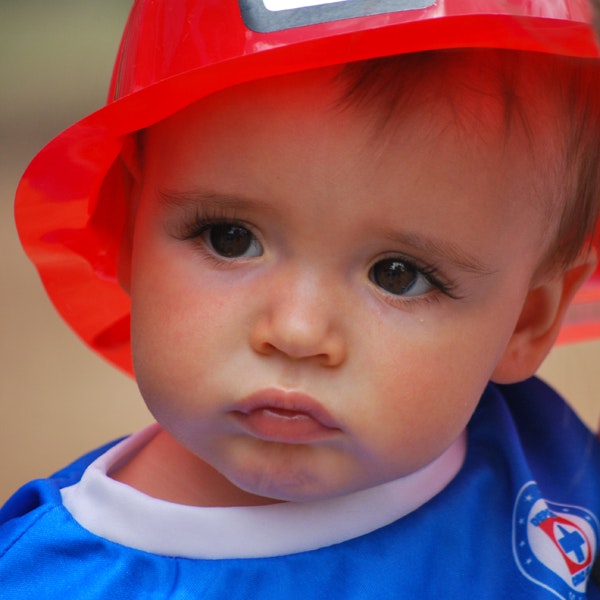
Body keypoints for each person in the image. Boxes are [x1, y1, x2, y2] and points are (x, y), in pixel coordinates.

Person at [2, 0, 600, 597]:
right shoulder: (53, 582)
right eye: (230, 238)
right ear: (128, 229)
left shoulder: (556, 469)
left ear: (526, 318)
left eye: (398, 275)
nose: (296, 332)